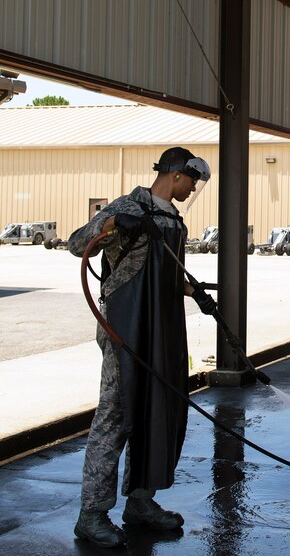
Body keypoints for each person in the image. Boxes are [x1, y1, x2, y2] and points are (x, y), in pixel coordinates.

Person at [68, 147, 216, 548]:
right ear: (175, 175)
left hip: (163, 329)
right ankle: (92, 515)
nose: (192, 190)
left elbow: (162, 275)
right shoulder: (129, 205)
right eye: (191, 182)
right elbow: (76, 242)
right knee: (116, 416)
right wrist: (114, 221)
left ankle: (140, 501)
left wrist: (194, 292)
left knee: (157, 411)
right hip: (126, 331)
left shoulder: (174, 220)